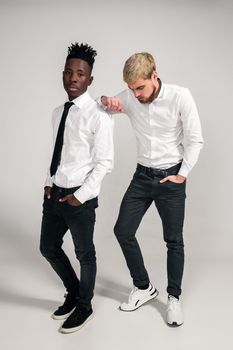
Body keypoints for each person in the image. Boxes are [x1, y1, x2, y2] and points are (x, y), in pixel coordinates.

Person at [100, 52, 203, 326]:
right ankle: (144, 287)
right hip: (142, 177)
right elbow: (108, 104)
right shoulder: (130, 94)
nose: (135, 95)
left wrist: (182, 175)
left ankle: (174, 299)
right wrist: (106, 101)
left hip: (171, 177)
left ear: (154, 76)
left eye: (140, 88)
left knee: (173, 240)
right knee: (122, 230)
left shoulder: (180, 96)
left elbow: (195, 140)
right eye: (131, 89)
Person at [40, 43, 113, 333]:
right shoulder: (58, 112)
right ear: (63, 74)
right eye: (69, 72)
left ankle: (85, 306)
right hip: (54, 193)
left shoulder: (99, 115)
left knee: (85, 254)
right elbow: (58, 151)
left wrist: (79, 196)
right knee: (48, 247)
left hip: (80, 197)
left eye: (80, 74)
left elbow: (105, 163)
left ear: (90, 80)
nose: (73, 78)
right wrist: (48, 182)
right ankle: (73, 293)